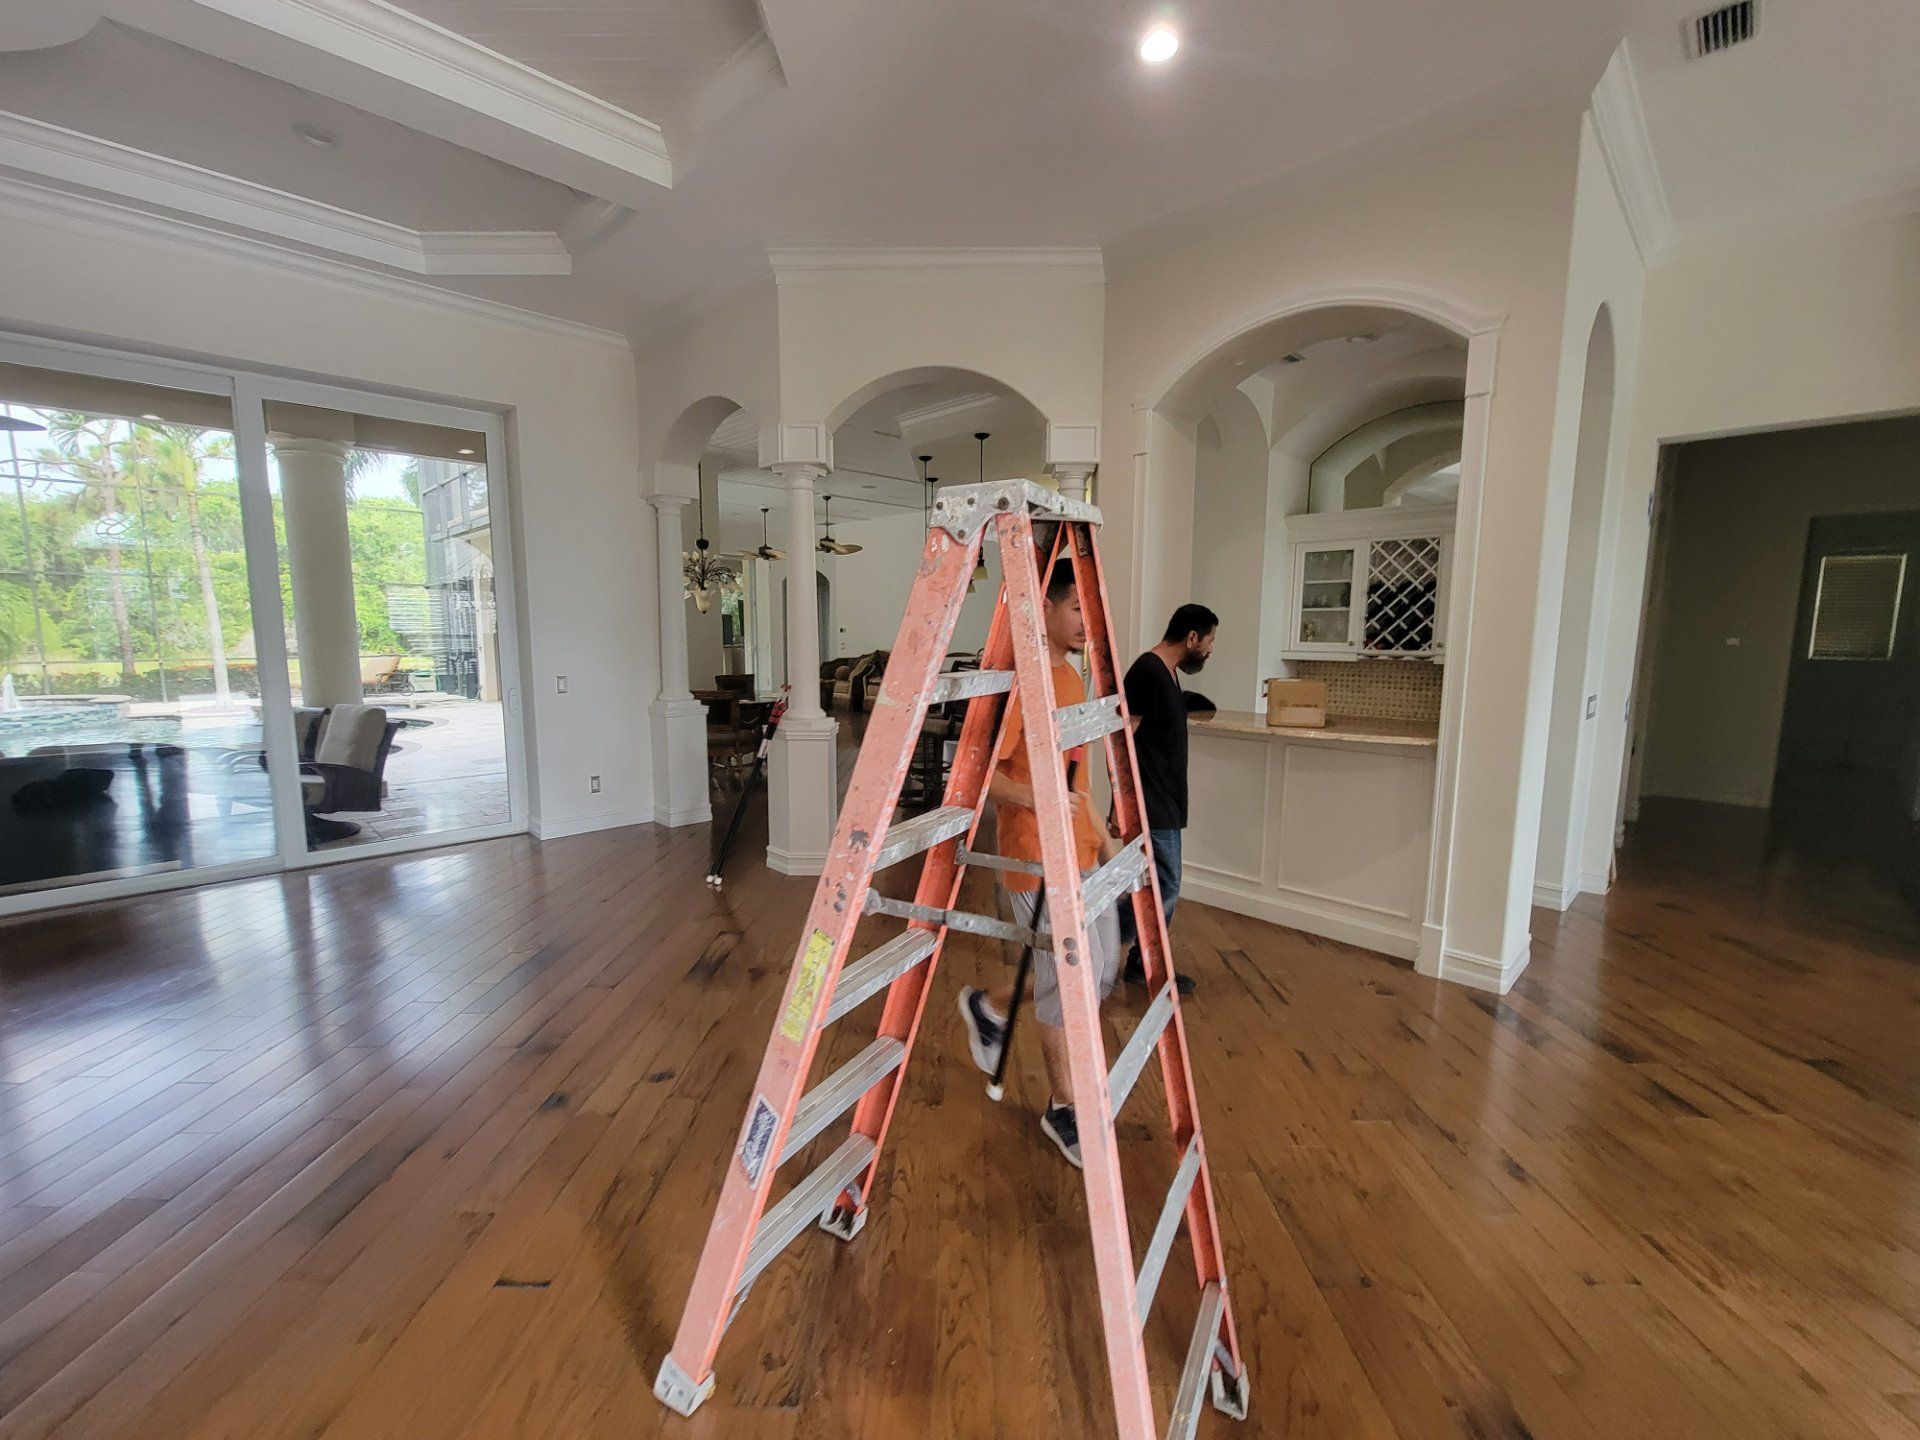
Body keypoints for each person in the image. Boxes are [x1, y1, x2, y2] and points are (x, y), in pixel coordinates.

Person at [957, 559, 1122, 1169]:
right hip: (1034, 854)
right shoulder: (1022, 684)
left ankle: (991, 1004)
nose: (1087, 621)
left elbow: (1079, 778)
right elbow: (981, 777)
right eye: (1076, 608)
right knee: (1070, 979)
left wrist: (1105, 843)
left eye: (1090, 610)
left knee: (1099, 974)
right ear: (1045, 609)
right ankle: (1063, 1107)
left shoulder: (1074, 681)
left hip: (1081, 851)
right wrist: (1038, 800)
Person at [1117, 603, 1219, 995]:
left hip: (1166, 799)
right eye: (1208, 643)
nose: (1209, 651)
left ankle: (1131, 956)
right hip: (1150, 799)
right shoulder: (1147, 671)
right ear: (1191, 638)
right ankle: (1128, 953)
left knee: (1158, 884)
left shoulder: (1168, 674)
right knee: (1167, 884)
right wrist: (1119, 803)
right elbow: (1123, 741)